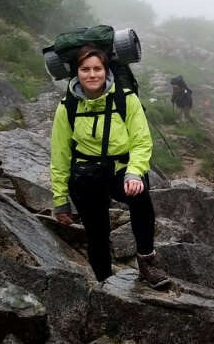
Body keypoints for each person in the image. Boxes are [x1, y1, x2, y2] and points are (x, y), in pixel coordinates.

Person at [50, 44, 169, 289]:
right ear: (76, 73)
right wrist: (60, 199)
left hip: (121, 171)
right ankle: (105, 284)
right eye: (85, 69)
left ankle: (147, 262)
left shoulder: (125, 98)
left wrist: (135, 172)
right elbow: (60, 155)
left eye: (97, 68)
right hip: (86, 175)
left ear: (106, 71)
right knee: (97, 233)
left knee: (141, 200)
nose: (92, 74)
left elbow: (141, 140)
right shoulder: (68, 106)